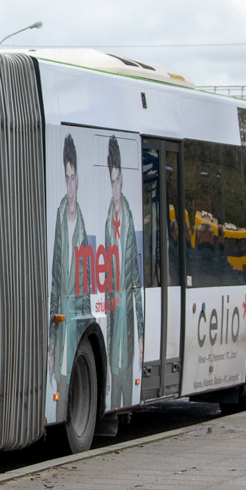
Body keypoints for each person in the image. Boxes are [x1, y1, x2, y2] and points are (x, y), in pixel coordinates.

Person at [101, 136, 145, 409]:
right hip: (113, 325)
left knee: (126, 395)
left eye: (118, 182)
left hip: (127, 331)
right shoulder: (107, 219)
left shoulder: (128, 217)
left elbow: (136, 284)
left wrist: (141, 335)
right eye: (111, 181)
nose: (115, 189)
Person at [48, 134, 89, 402]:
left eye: (73, 178)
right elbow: (53, 281)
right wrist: (50, 341)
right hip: (61, 324)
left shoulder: (82, 223)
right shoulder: (60, 218)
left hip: (77, 322)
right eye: (67, 178)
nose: (70, 186)